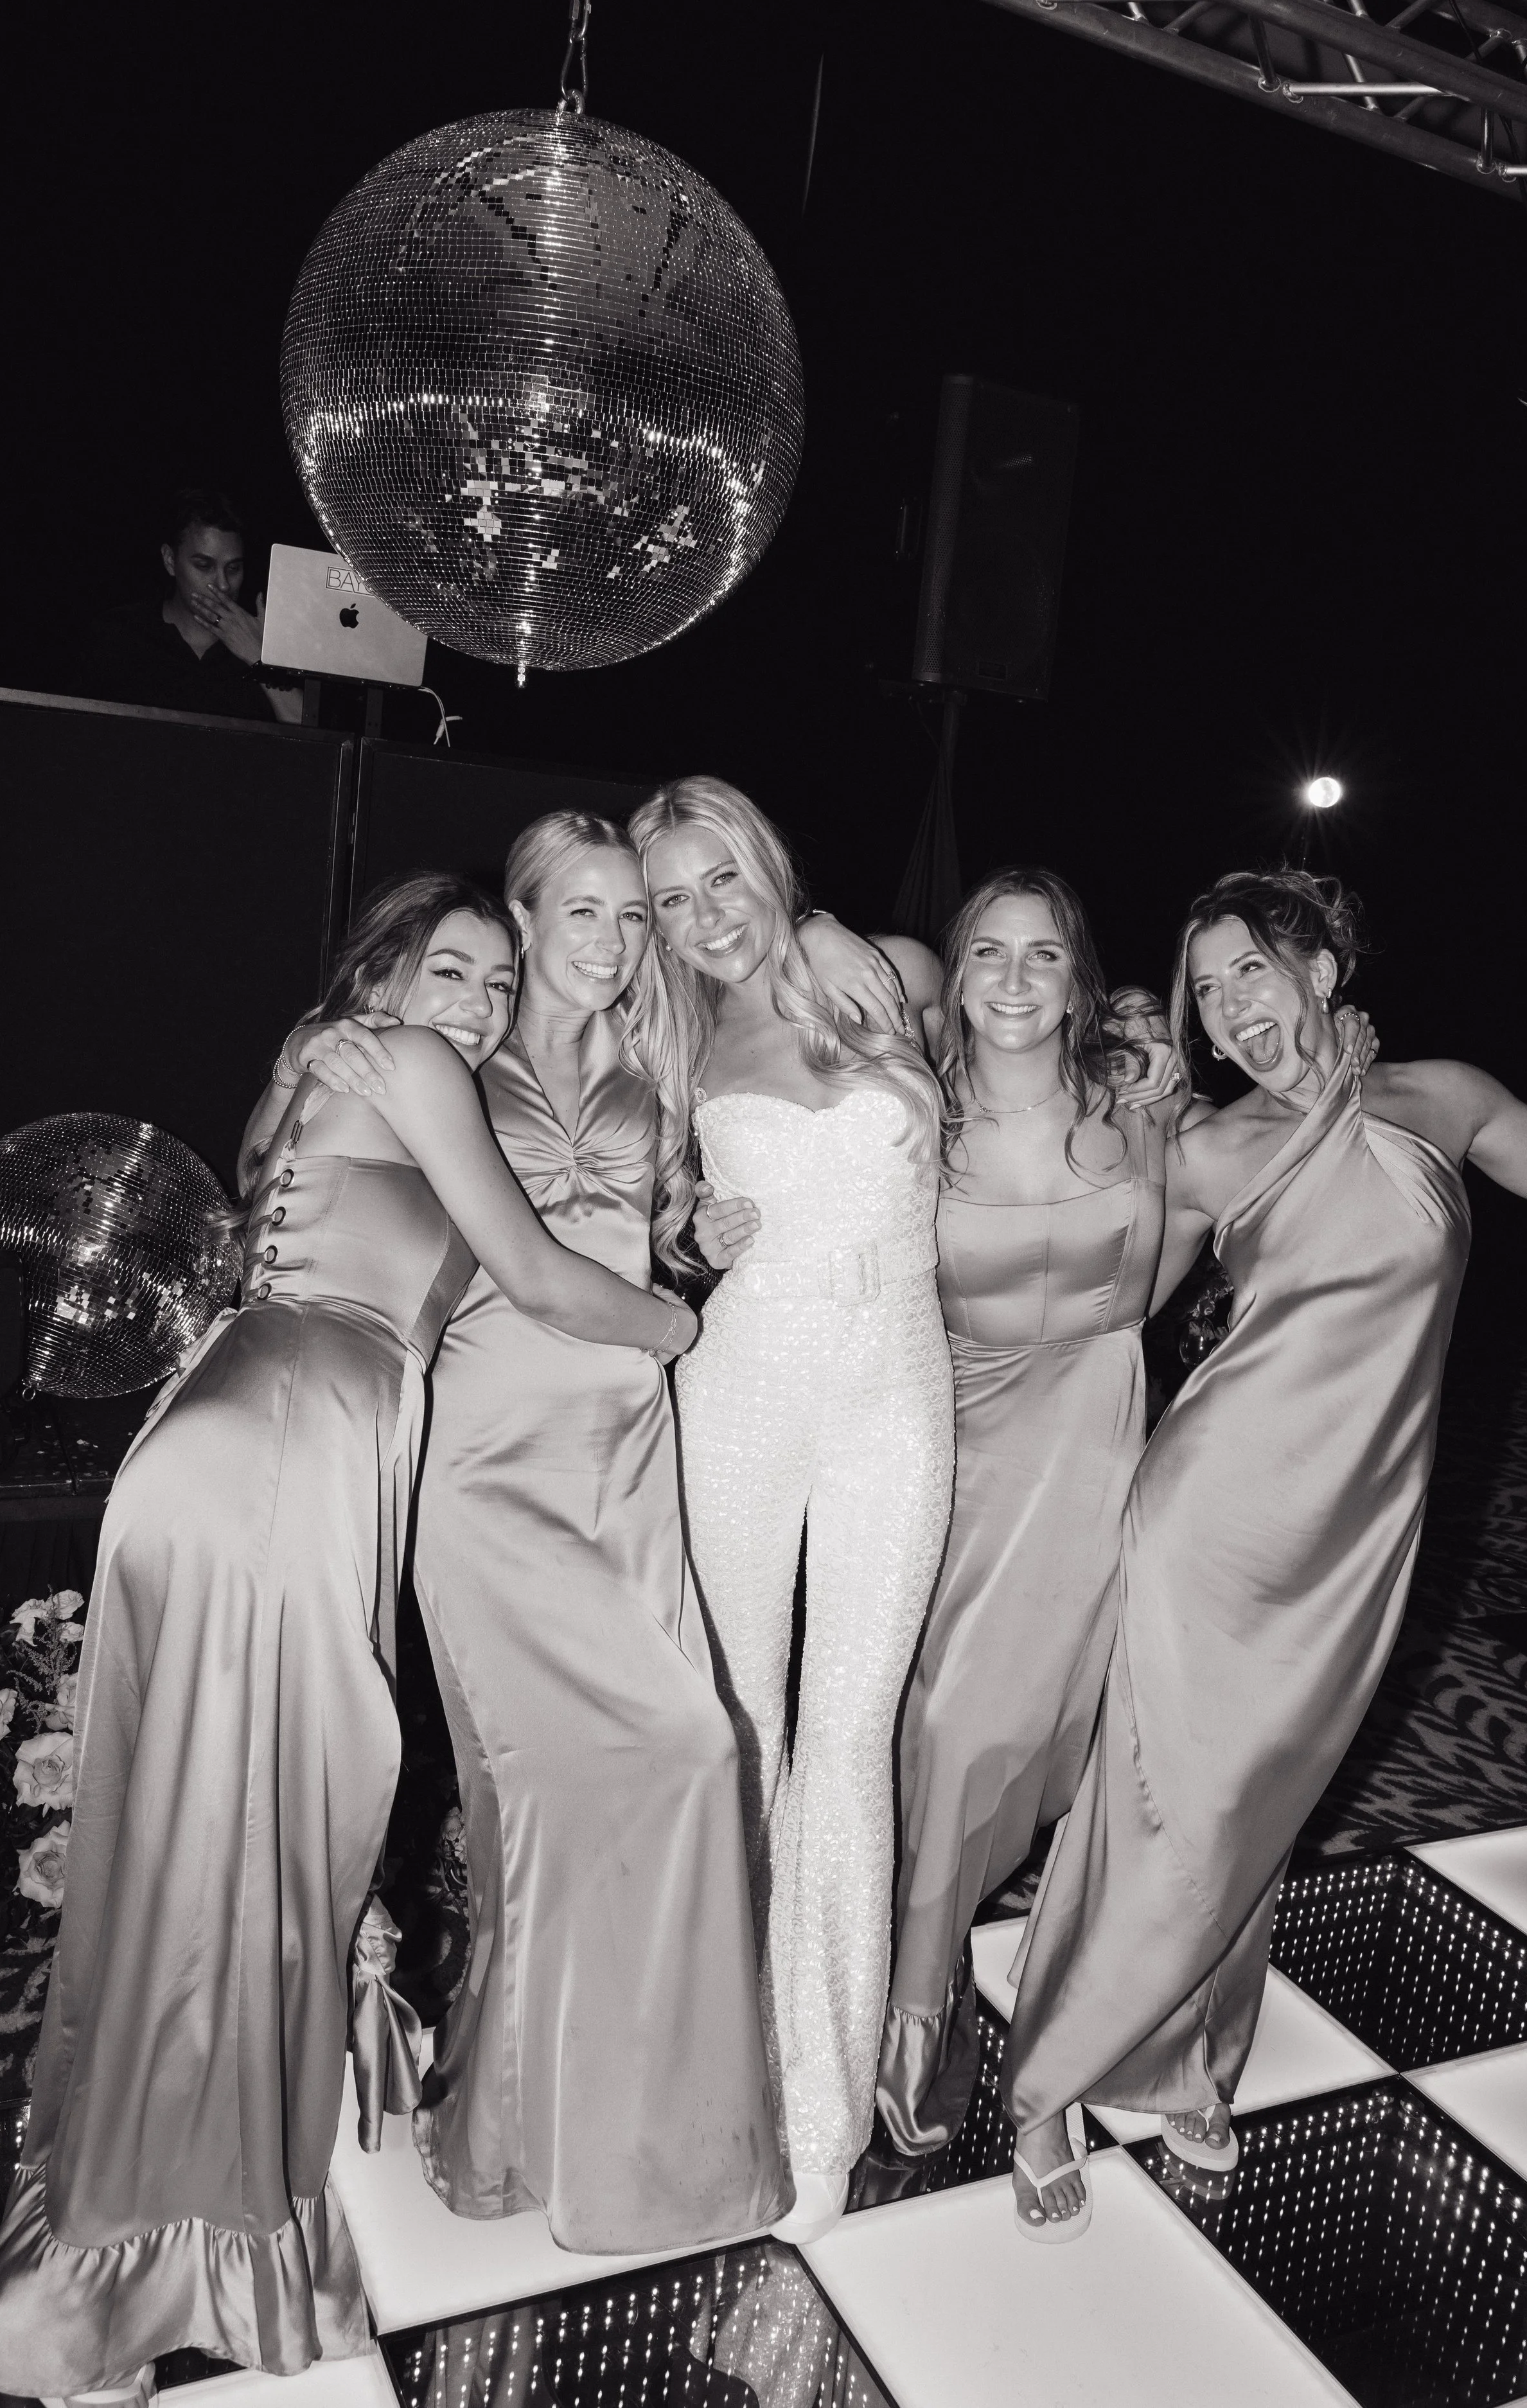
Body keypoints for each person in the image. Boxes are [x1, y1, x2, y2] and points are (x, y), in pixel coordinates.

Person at [0, 876, 694, 2399]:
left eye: (500, 985)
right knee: (256, 1834)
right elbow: (541, 1276)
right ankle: (145, 2267)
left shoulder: (325, 1066)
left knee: (203, 1833)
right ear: (384, 968)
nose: (480, 1002)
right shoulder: (410, 1061)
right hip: (289, 1451)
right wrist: (697, 1321)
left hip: (252, 1443)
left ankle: (125, 2237)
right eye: (454, 966)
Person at [241, 824, 907, 2255]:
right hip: (491, 1460)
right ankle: (544, 2131)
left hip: (630, 1452)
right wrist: (323, 1043)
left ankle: (582, 2132)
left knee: (646, 1777)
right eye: (580, 912)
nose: (611, 938)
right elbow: (363, 1192)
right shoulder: (439, 1062)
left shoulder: (654, 1063)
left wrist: (700, 1245)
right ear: (526, 921)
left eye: (629, 914)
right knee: (613, 1774)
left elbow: (674, 1216)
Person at [1004, 871, 1527, 2243]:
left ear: (1320, 965)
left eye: (1249, 972)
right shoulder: (1206, 1147)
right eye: (1206, 989)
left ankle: (1178, 2056)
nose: (1229, 1010)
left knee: (1260, 1804)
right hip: (1214, 1508)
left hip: (1361, 1523)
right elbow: (1113, 1312)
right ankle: (1048, 2079)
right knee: (1168, 1804)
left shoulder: (1440, 1100)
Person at [628, 776, 955, 2243]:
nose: (701, 918)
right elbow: (616, 1210)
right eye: (671, 900)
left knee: (851, 1737)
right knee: (744, 1723)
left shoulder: (877, 969)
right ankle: (730, 2076)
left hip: (896, 1392)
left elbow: (1009, 1091)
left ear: (764, 860)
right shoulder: (674, 1028)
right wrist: (680, 1237)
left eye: (718, 880)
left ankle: (821, 2122)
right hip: (747, 1386)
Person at [872, 870, 1178, 2159]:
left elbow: (1157, 1278)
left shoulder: (1140, 1108)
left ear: (1075, 979)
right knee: (948, 1726)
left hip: (1108, 1453)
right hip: (967, 1459)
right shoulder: (905, 1118)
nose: (1009, 977)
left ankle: (1087, 2013)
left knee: (1111, 1734)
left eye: (1039, 954)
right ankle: (909, 2007)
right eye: (983, 951)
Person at [85, 488, 302, 723]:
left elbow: (317, 742)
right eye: (204, 566)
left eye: (233, 569)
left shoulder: (263, 644)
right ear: (170, 561)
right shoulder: (122, 634)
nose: (223, 585)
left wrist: (259, 660)